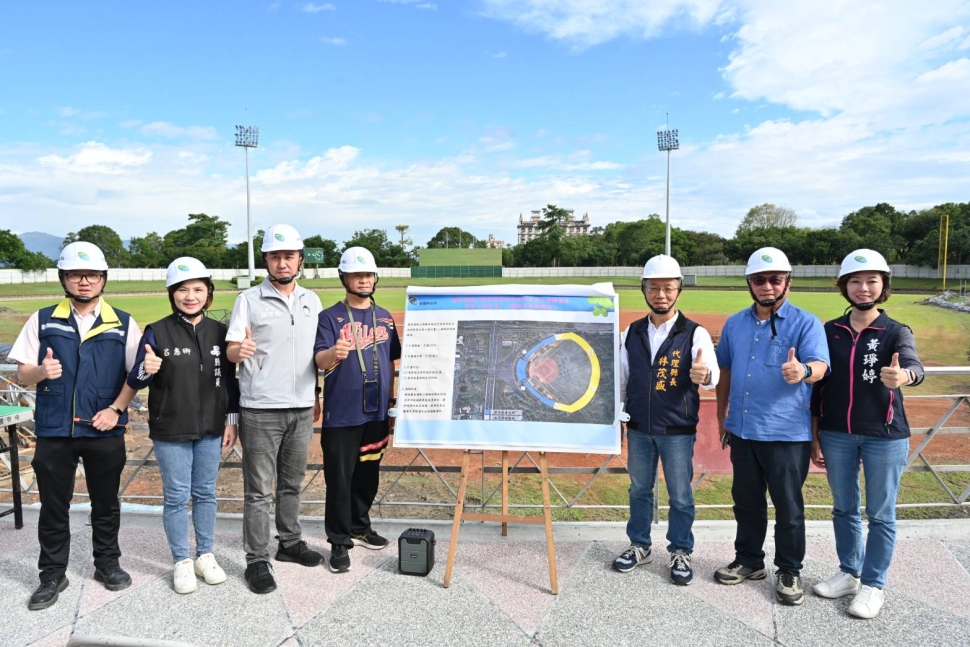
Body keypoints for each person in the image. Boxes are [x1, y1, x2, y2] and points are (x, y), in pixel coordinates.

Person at [10, 242, 141, 610]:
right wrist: (41, 371)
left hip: (104, 428)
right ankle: (52, 574)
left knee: (106, 503)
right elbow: (21, 372)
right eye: (75, 275)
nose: (85, 281)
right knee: (54, 506)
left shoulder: (123, 322)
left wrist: (116, 409)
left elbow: (136, 375)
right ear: (63, 278)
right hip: (55, 430)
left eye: (93, 275)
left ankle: (107, 563)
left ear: (103, 279)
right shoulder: (43, 319)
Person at [810, 249, 923, 619]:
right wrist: (815, 435)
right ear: (844, 286)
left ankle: (874, 585)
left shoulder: (896, 331)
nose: (863, 287)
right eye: (855, 281)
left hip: (885, 436)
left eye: (872, 280)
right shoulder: (829, 331)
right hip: (836, 434)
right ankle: (849, 573)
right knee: (843, 508)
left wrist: (904, 375)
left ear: (883, 285)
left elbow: (914, 365)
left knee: (881, 513)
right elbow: (817, 388)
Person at [713, 247, 829, 606]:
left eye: (775, 279)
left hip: (785, 432)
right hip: (743, 428)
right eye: (759, 279)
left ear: (787, 282)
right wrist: (721, 416)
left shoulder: (806, 322)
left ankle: (789, 569)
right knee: (746, 501)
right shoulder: (734, 323)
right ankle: (749, 560)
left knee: (788, 507)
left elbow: (821, 366)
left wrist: (803, 371)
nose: (767, 285)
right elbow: (725, 370)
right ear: (749, 283)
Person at [126, 257, 240, 594]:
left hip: (212, 428)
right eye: (182, 290)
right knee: (176, 497)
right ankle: (181, 561)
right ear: (172, 293)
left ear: (208, 293)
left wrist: (231, 419)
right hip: (171, 428)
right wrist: (146, 368)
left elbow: (230, 381)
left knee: (206, 493)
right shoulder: (157, 331)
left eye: (198, 289)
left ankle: (205, 554)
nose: (190, 296)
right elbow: (136, 379)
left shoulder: (220, 332)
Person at [226, 224, 324, 594]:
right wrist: (239, 351)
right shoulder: (248, 300)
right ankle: (256, 559)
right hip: (261, 409)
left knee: (292, 483)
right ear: (266, 260)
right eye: (275, 256)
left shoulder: (312, 300)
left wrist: (315, 394)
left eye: (289, 256)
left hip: (301, 407)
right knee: (258, 490)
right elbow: (232, 349)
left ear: (300, 259)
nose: (282, 263)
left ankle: (289, 542)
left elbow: (314, 355)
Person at [613, 255, 719, 585]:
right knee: (639, 490)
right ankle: (639, 545)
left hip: (677, 430)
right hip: (639, 428)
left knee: (680, 495)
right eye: (654, 287)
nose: (661, 294)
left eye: (668, 288)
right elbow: (623, 379)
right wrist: (619, 418)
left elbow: (711, 376)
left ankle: (681, 550)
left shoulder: (695, 333)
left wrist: (704, 375)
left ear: (679, 290)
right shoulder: (631, 332)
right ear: (644, 289)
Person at [314, 247, 401, 573]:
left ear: (375, 277)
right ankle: (339, 540)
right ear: (344, 278)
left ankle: (359, 526)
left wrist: (391, 403)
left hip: (376, 412)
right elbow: (319, 360)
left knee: (368, 473)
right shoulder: (330, 317)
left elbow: (390, 361)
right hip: (343, 413)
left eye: (368, 274)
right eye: (356, 275)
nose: (363, 280)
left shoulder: (385, 317)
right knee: (339, 479)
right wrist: (333, 353)